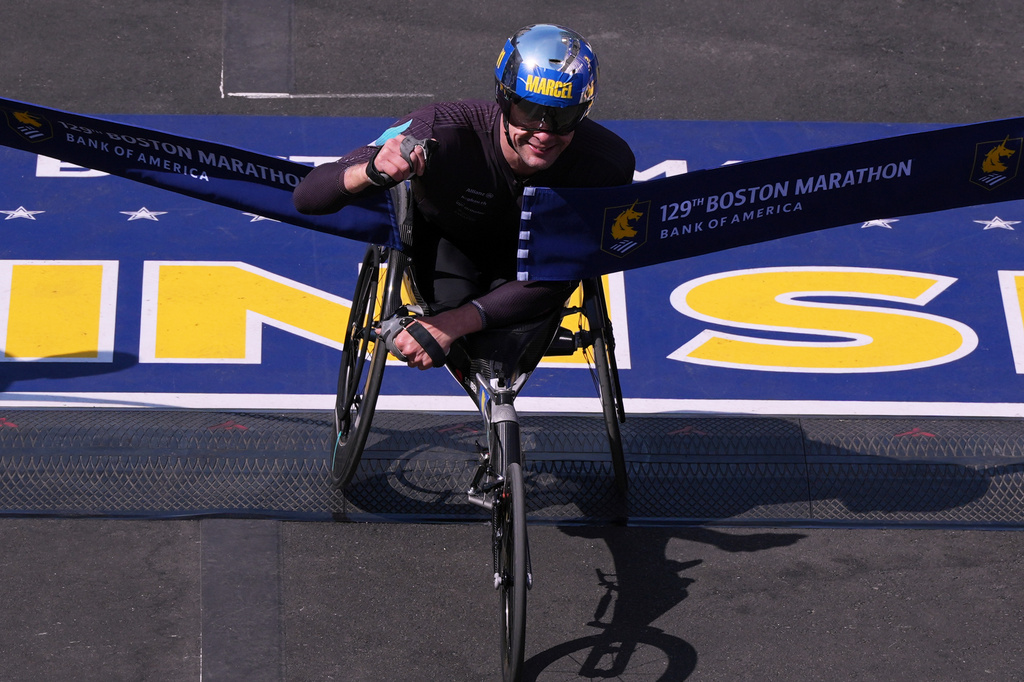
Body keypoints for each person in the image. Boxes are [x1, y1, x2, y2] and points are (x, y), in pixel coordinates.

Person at [293, 23, 635, 369]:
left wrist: (452, 324)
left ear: (584, 110)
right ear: (504, 98)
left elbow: (563, 272)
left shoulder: (607, 164)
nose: (544, 133)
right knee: (477, 353)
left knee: (502, 347)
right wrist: (369, 169)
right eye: (529, 112)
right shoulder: (438, 130)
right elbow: (307, 197)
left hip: (536, 269)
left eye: (563, 116)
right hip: (448, 250)